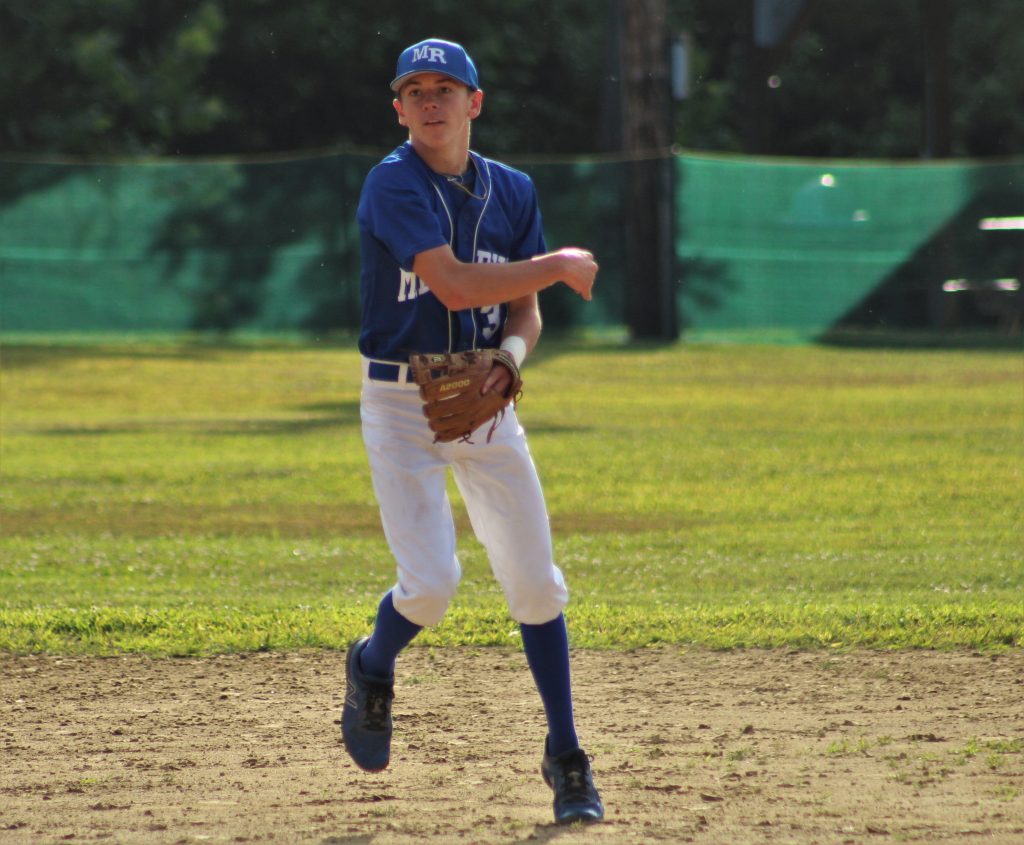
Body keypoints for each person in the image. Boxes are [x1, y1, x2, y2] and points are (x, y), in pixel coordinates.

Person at [342, 37, 603, 825]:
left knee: (535, 581)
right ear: (398, 108)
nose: (430, 101)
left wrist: (511, 361)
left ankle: (566, 754)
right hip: (400, 401)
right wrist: (557, 262)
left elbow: (523, 312)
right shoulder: (393, 181)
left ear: (474, 103)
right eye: (415, 90)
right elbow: (453, 282)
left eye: (445, 88)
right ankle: (372, 662)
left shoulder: (512, 190)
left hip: (483, 394)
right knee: (430, 586)